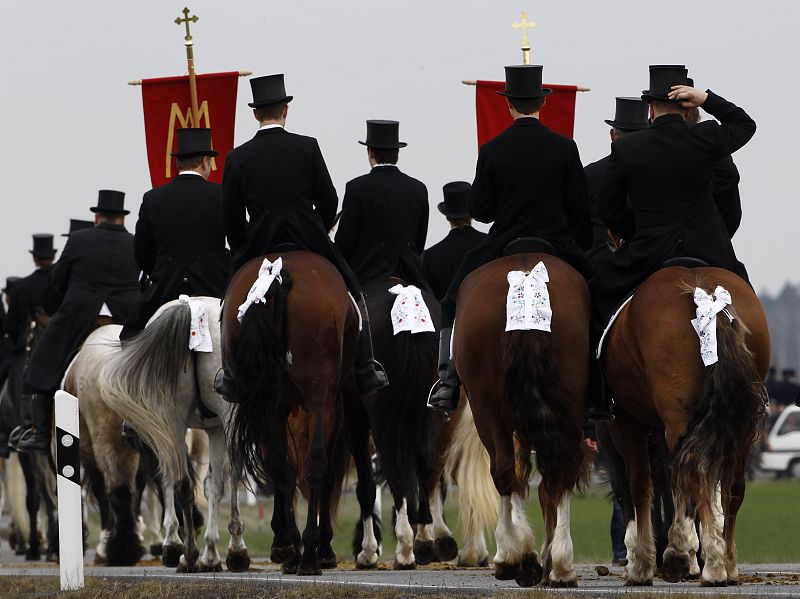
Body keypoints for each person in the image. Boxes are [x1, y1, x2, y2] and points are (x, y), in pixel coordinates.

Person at [589, 65, 757, 420]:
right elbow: (746, 125)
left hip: (650, 252)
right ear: (686, 106)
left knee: (598, 297)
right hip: (709, 249)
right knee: (744, 295)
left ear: (650, 108)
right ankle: (758, 387)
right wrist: (709, 100)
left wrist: (635, 232)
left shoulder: (629, 149)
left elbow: (608, 207)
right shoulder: (707, 137)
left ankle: (597, 395)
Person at [427, 65, 592, 414]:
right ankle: (599, 386)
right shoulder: (565, 147)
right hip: (557, 242)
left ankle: (448, 382)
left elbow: (483, 212)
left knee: (451, 298)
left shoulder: (492, 149)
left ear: (509, 105)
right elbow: (579, 210)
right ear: (542, 104)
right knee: (601, 295)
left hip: (503, 242)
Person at [221, 74, 387, 397]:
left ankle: (228, 372)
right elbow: (329, 199)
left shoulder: (237, 157)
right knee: (353, 292)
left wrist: (244, 249)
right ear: (285, 110)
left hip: (259, 246)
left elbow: (230, 218)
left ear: (256, 114)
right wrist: (319, 227)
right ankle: (366, 366)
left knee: (229, 300)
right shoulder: (307, 147)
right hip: (308, 240)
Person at [18, 191, 140, 453]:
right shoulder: (135, 242)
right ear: (122, 217)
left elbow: (57, 281)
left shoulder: (79, 239)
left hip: (81, 315)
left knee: (41, 362)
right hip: (127, 316)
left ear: (96, 217)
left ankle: (39, 432)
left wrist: (53, 306)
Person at [120, 128, 230, 340]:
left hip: (166, 287)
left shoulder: (153, 198)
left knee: (129, 337)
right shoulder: (222, 194)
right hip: (215, 285)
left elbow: (141, 251)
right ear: (206, 161)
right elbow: (239, 238)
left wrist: (163, 269)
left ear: (177, 163)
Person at [335, 120, 429, 287]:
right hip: (410, 274)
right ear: (397, 153)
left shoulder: (356, 188)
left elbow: (345, 242)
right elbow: (419, 241)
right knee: (436, 309)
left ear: (370, 152)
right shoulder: (418, 189)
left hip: (367, 274)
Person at [584, 97, 649, 273]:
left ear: (613, 135)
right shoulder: (657, 173)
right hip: (648, 260)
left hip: (598, 262)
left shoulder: (590, 173)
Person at [423, 182, 488, 301]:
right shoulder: (489, 245)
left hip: (449, 318)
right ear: (471, 214)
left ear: (447, 216)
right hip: (487, 316)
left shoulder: (430, 256)